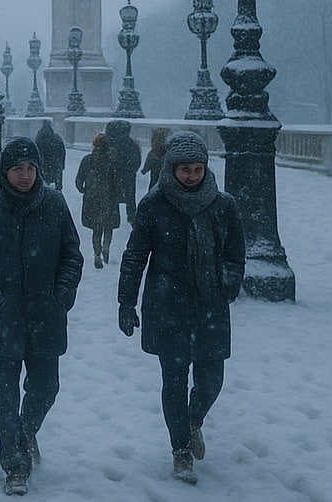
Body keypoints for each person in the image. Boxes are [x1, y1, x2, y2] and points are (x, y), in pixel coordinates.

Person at [0, 137, 83, 496]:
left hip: (46, 316)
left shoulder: (55, 204)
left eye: (30, 168)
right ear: (4, 171)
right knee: (6, 397)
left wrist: (61, 296)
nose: (25, 176)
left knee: (46, 388)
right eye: (17, 169)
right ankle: (14, 464)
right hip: (2, 320)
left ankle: (25, 434)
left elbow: (72, 256)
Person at [116, 131, 244, 485]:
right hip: (167, 306)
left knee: (211, 380)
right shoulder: (154, 205)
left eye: (197, 168)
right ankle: (181, 450)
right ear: (170, 168)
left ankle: (194, 419)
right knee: (173, 381)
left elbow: (235, 253)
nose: (190, 175)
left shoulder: (224, 206)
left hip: (210, 307)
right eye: (184, 169)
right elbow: (135, 257)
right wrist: (126, 300)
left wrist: (229, 283)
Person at [75, 131, 120, 269]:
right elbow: (117, 182)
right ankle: (106, 246)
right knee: (108, 226)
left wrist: (83, 190)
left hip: (92, 198)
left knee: (96, 228)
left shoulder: (87, 160)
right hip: (109, 198)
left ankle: (97, 253)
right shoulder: (112, 161)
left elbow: (79, 180)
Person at [106, 119, 143, 222]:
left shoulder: (109, 144)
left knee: (112, 198)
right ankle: (131, 218)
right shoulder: (132, 145)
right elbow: (137, 162)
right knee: (130, 199)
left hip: (113, 177)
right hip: (128, 177)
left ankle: (112, 218)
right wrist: (129, 172)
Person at [34, 120, 66, 190]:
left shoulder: (39, 139)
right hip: (56, 165)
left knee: (43, 187)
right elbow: (63, 153)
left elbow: (35, 153)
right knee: (58, 187)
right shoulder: (57, 138)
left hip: (44, 165)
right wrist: (62, 165)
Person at [141, 128, 170, 194]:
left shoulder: (153, 152)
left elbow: (148, 162)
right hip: (164, 177)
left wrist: (144, 170)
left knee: (153, 190)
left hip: (154, 175)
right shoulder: (166, 151)